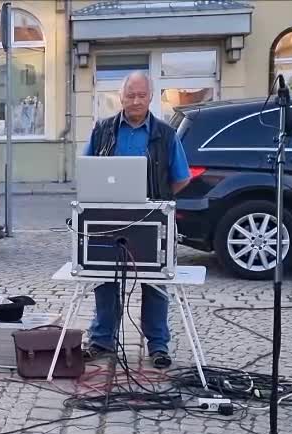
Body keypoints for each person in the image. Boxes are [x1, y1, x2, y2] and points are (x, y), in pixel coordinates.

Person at [81, 71, 191, 369]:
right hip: (109, 217)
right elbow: (86, 169)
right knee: (105, 278)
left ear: (151, 97)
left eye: (141, 95)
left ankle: (157, 345)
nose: (136, 101)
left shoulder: (165, 135)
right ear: (121, 96)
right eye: (130, 95)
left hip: (153, 217)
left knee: (155, 283)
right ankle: (102, 340)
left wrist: (158, 196)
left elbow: (181, 178)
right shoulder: (102, 129)